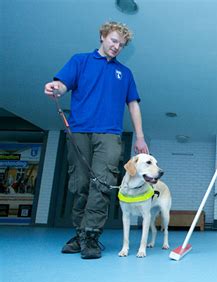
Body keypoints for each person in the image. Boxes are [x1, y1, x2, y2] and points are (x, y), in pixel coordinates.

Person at [44, 21, 148, 259]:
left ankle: (91, 237)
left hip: (109, 134)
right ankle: (80, 234)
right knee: (80, 184)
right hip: (79, 132)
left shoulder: (125, 73)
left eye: (121, 45)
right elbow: (62, 86)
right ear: (102, 36)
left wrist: (140, 137)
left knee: (101, 183)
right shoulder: (80, 61)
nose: (116, 47)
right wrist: (55, 88)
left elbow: (133, 104)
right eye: (113, 41)